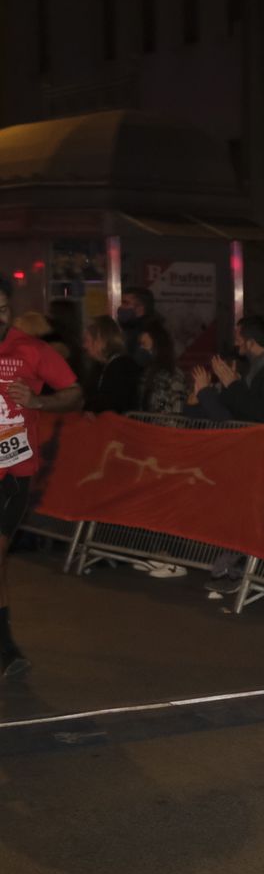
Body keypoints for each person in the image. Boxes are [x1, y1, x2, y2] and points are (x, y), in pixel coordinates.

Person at [0, 285, 84, 676]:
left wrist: (36, 402)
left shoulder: (31, 350)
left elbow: (74, 394)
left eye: (2, 309)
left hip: (13, 472)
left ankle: (7, 650)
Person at [191, 315, 264, 427]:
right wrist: (228, 386)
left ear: (251, 343)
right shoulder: (258, 367)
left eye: (238, 339)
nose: (236, 344)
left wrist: (233, 385)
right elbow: (239, 409)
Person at [81, 315, 142, 414]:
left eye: (86, 340)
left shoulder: (122, 366)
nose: (84, 346)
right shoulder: (100, 366)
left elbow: (113, 403)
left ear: (100, 340)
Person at [137, 319, 187, 415]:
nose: (141, 349)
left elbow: (178, 412)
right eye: (140, 345)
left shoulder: (174, 375)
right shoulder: (144, 373)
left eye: (144, 345)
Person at [117, 286, 159, 365]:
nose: (121, 307)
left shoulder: (149, 333)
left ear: (140, 308)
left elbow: (137, 365)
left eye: (126, 303)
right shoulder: (128, 329)